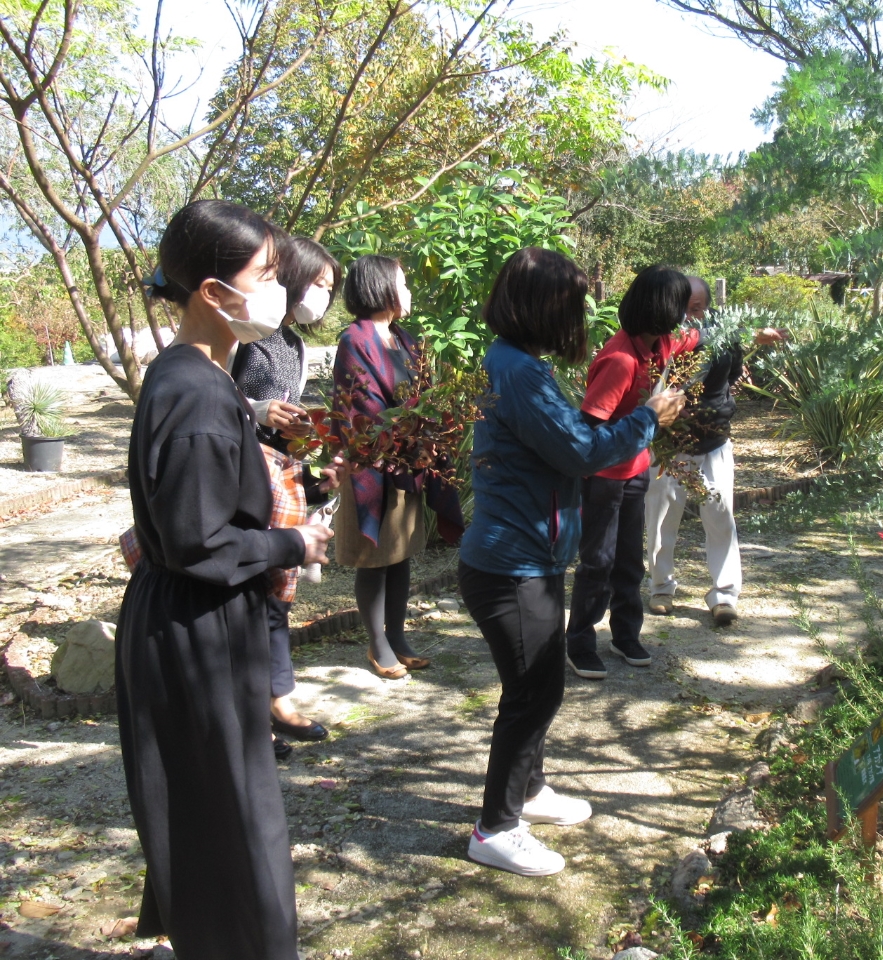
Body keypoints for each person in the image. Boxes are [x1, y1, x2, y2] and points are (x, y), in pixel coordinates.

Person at [116, 199, 335, 959]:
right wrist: (292, 543)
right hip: (194, 628)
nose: (281, 290)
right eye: (267, 274)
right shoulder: (198, 394)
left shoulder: (200, 376)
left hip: (203, 619)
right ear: (212, 291)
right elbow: (197, 542)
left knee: (217, 812)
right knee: (234, 823)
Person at [459, 247, 684, 876]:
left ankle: (528, 792)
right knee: (534, 693)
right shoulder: (522, 372)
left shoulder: (516, 362)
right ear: (544, 308)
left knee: (536, 685)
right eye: (572, 304)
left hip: (526, 557)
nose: (580, 317)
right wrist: (649, 417)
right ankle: (495, 827)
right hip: (510, 565)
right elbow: (582, 449)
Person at [232, 236, 343, 751]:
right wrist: (257, 410)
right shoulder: (243, 335)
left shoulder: (294, 345)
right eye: (318, 283)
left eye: (329, 288)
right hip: (237, 477)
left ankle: (277, 699)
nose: (321, 295)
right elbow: (218, 396)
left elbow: (292, 421)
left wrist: (319, 460)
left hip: (282, 478)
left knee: (276, 594)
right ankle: (248, 710)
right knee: (242, 596)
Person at [333, 254, 465, 679]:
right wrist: (405, 432)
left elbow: (423, 395)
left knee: (401, 552)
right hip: (373, 466)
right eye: (403, 284)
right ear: (381, 288)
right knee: (376, 557)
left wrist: (430, 428)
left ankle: (398, 634)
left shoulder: (403, 339)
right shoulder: (355, 339)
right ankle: (377, 642)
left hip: (407, 461)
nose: (407, 292)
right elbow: (361, 408)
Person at [565, 265, 699, 679]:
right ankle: (580, 640)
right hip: (605, 476)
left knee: (628, 561)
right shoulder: (621, 360)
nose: (686, 314)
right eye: (682, 304)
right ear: (663, 307)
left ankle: (625, 634)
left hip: (637, 469)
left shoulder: (660, 344)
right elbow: (590, 428)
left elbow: (697, 339)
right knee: (598, 561)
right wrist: (649, 418)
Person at [645, 276, 743, 625]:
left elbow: (733, 375)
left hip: (714, 441)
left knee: (720, 518)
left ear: (707, 307)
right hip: (667, 446)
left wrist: (707, 409)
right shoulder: (658, 334)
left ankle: (725, 594)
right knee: (659, 519)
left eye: (697, 308)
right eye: (683, 308)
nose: (689, 316)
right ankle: (661, 588)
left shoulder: (724, 332)